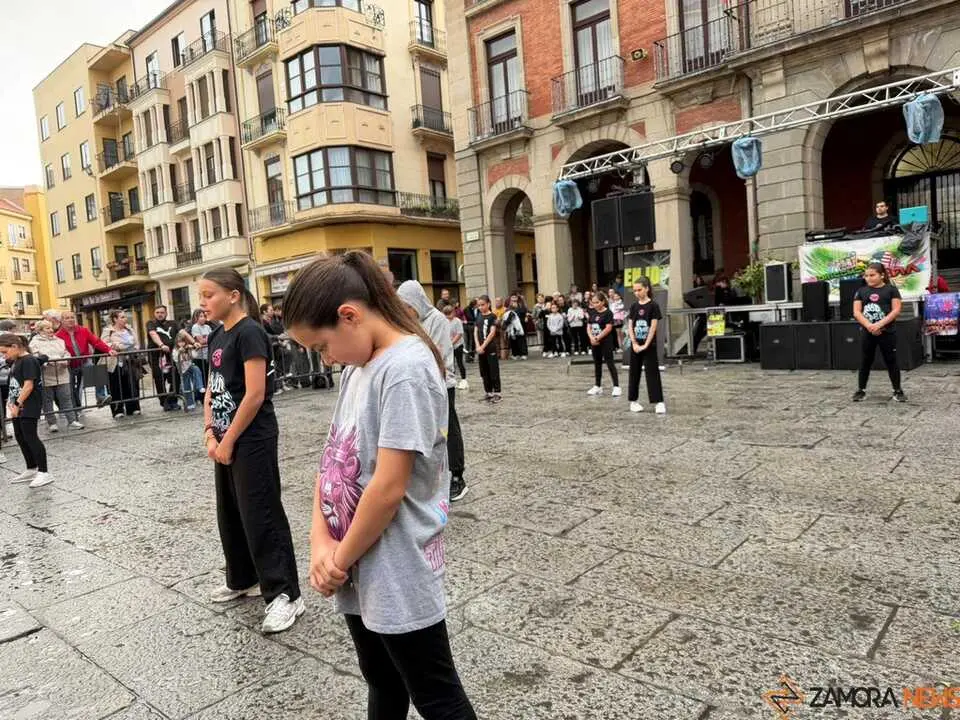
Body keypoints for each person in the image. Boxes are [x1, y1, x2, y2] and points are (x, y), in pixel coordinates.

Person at [281, 251, 477, 720]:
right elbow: (331, 458)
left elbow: (389, 488)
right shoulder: (357, 368)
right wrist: (320, 540)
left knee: (434, 692)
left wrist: (338, 557)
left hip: (395, 565)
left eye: (322, 346)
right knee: (383, 679)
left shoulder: (404, 368)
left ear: (349, 315)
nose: (325, 359)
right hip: (356, 558)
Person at [200, 268, 303, 633]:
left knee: (261, 512)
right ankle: (243, 578)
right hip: (225, 436)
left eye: (209, 294)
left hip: (253, 437)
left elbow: (255, 393)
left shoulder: (250, 332)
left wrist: (228, 441)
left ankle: (285, 594)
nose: (203, 302)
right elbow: (212, 388)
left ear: (233, 294)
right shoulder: (216, 336)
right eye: (202, 295)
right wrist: (211, 432)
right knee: (230, 511)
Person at [398, 280, 469, 502]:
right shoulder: (409, 322)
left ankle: (458, 476)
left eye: (407, 306)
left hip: (441, 384)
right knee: (430, 433)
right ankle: (435, 478)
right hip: (420, 384)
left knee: (449, 430)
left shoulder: (436, 320)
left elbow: (437, 353)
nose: (405, 311)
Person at [0, 333, 51, 487]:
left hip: (29, 403)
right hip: (18, 403)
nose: (3, 355)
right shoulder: (16, 360)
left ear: (14, 347)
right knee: (20, 435)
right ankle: (31, 467)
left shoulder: (28, 360)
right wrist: (12, 403)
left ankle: (44, 472)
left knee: (31, 436)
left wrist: (17, 403)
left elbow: (29, 385)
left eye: (4, 351)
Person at [852, 262, 905, 403]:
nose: (869, 278)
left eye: (872, 275)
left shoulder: (892, 290)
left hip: (887, 332)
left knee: (891, 360)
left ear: (882, 275)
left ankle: (897, 390)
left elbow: (896, 310)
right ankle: (861, 390)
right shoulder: (861, 291)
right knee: (865, 360)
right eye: (866, 275)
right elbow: (857, 312)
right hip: (867, 332)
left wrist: (880, 325)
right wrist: (869, 326)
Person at [29, 321, 83, 431]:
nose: (51, 330)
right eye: (47, 328)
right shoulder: (34, 343)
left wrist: (66, 361)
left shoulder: (59, 341)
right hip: (45, 375)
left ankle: (72, 421)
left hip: (62, 373)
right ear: (40, 331)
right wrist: (45, 363)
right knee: (47, 400)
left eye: (51, 328)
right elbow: (35, 357)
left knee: (66, 398)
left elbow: (66, 353)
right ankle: (52, 423)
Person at [56, 311, 115, 410]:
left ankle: (101, 397)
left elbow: (96, 342)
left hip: (84, 360)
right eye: (67, 318)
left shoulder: (83, 330)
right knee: (72, 387)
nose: (70, 320)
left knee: (97, 371)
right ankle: (75, 407)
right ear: (62, 321)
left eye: (72, 317)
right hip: (69, 364)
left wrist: (109, 350)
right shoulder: (58, 335)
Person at [627, 277, 666, 415]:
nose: (637, 293)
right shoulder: (634, 307)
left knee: (652, 372)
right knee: (634, 372)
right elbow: (630, 326)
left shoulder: (653, 306)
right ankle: (633, 401)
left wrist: (645, 345)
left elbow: (653, 327)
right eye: (635, 290)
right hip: (636, 344)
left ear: (646, 288)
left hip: (649, 345)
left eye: (639, 289)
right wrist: (634, 343)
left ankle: (659, 402)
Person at [101, 309, 142, 419]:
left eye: (125, 317)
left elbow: (136, 343)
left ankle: (133, 407)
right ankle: (117, 410)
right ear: (115, 319)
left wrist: (132, 347)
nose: (125, 319)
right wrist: (120, 346)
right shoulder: (108, 331)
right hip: (115, 362)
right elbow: (105, 344)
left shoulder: (129, 329)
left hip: (130, 360)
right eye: (122, 317)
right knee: (115, 386)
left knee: (132, 384)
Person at [587, 291, 621, 397]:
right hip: (594, 342)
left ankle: (616, 386)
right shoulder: (592, 312)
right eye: (593, 303)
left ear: (602, 302)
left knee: (610, 363)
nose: (595, 305)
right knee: (597, 363)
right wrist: (592, 337)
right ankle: (597, 385)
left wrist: (598, 337)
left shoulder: (608, 313)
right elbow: (589, 326)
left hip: (605, 342)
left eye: (597, 302)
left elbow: (608, 328)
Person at [146, 306, 179, 411]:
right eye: (157, 312)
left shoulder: (172, 323)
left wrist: (193, 342)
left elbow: (182, 333)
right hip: (156, 355)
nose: (160, 314)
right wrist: (161, 345)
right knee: (159, 378)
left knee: (175, 376)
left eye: (162, 312)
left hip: (169, 355)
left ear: (166, 313)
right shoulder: (151, 323)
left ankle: (173, 400)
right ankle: (164, 402)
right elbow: (153, 334)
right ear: (154, 313)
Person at [475, 295, 501, 403]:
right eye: (479, 305)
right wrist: (477, 345)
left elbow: (492, 333)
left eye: (483, 305)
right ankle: (488, 392)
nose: (480, 307)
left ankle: (497, 393)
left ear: (488, 304)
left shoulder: (492, 317)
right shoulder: (478, 316)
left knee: (493, 370)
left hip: (490, 348)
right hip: (481, 349)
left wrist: (483, 346)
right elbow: (475, 331)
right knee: (484, 371)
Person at [173, 329, 205, 412]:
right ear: (176, 342)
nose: (181, 344)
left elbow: (194, 356)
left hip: (190, 366)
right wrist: (179, 352)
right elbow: (175, 358)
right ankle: (190, 404)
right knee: (186, 386)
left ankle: (200, 386)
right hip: (183, 370)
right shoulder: (175, 350)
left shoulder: (187, 348)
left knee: (196, 369)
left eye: (183, 342)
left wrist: (192, 349)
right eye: (179, 342)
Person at [444, 304, 468, 390]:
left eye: (449, 314)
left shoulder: (457, 321)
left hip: (458, 345)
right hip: (449, 346)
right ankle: (452, 380)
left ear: (453, 313)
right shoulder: (444, 321)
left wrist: (452, 343)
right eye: (446, 314)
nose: (447, 316)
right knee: (451, 364)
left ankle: (464, 379)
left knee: (459, 362)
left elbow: (459, 333)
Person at [191, 309, 212, 382]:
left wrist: (206, 339)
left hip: (208, 355)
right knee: (202, 378)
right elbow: (201, 341)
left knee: (209, 376)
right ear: (196, 318)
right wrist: (208, 339)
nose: (203, 318)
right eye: (200, 316)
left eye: (204, 316)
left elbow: (213, 338)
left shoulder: (207, 327)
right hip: (199, 357)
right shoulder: (195, 327)